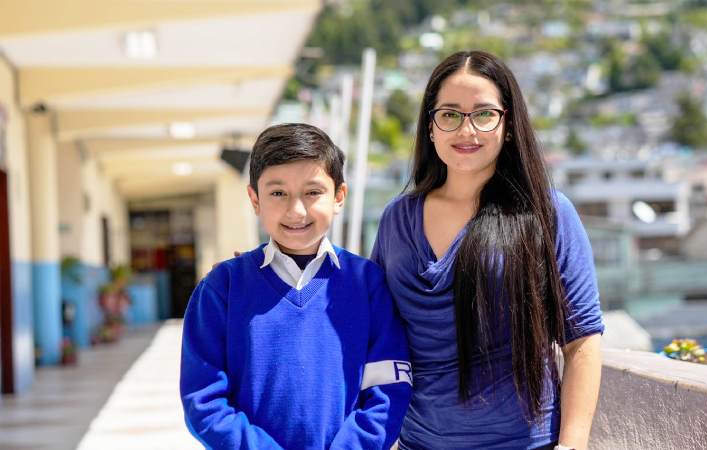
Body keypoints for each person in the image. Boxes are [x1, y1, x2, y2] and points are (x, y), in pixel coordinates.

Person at [369, 51, 604, 450]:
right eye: (450, 114)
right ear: (430, 127)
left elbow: (581, 341)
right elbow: (374, 329)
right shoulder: (397, 218)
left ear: (508, 125)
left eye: (484, 114)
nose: (467, 130)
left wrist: (572, 446)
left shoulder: (548, 213)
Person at [180, 123, 412, 450]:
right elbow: (203, 400)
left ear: (339, 197)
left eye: (313, 192)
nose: (296, 210)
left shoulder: (369, 284)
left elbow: (389, 389)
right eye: (278, 193)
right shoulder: (223, 288)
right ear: (255, 199)